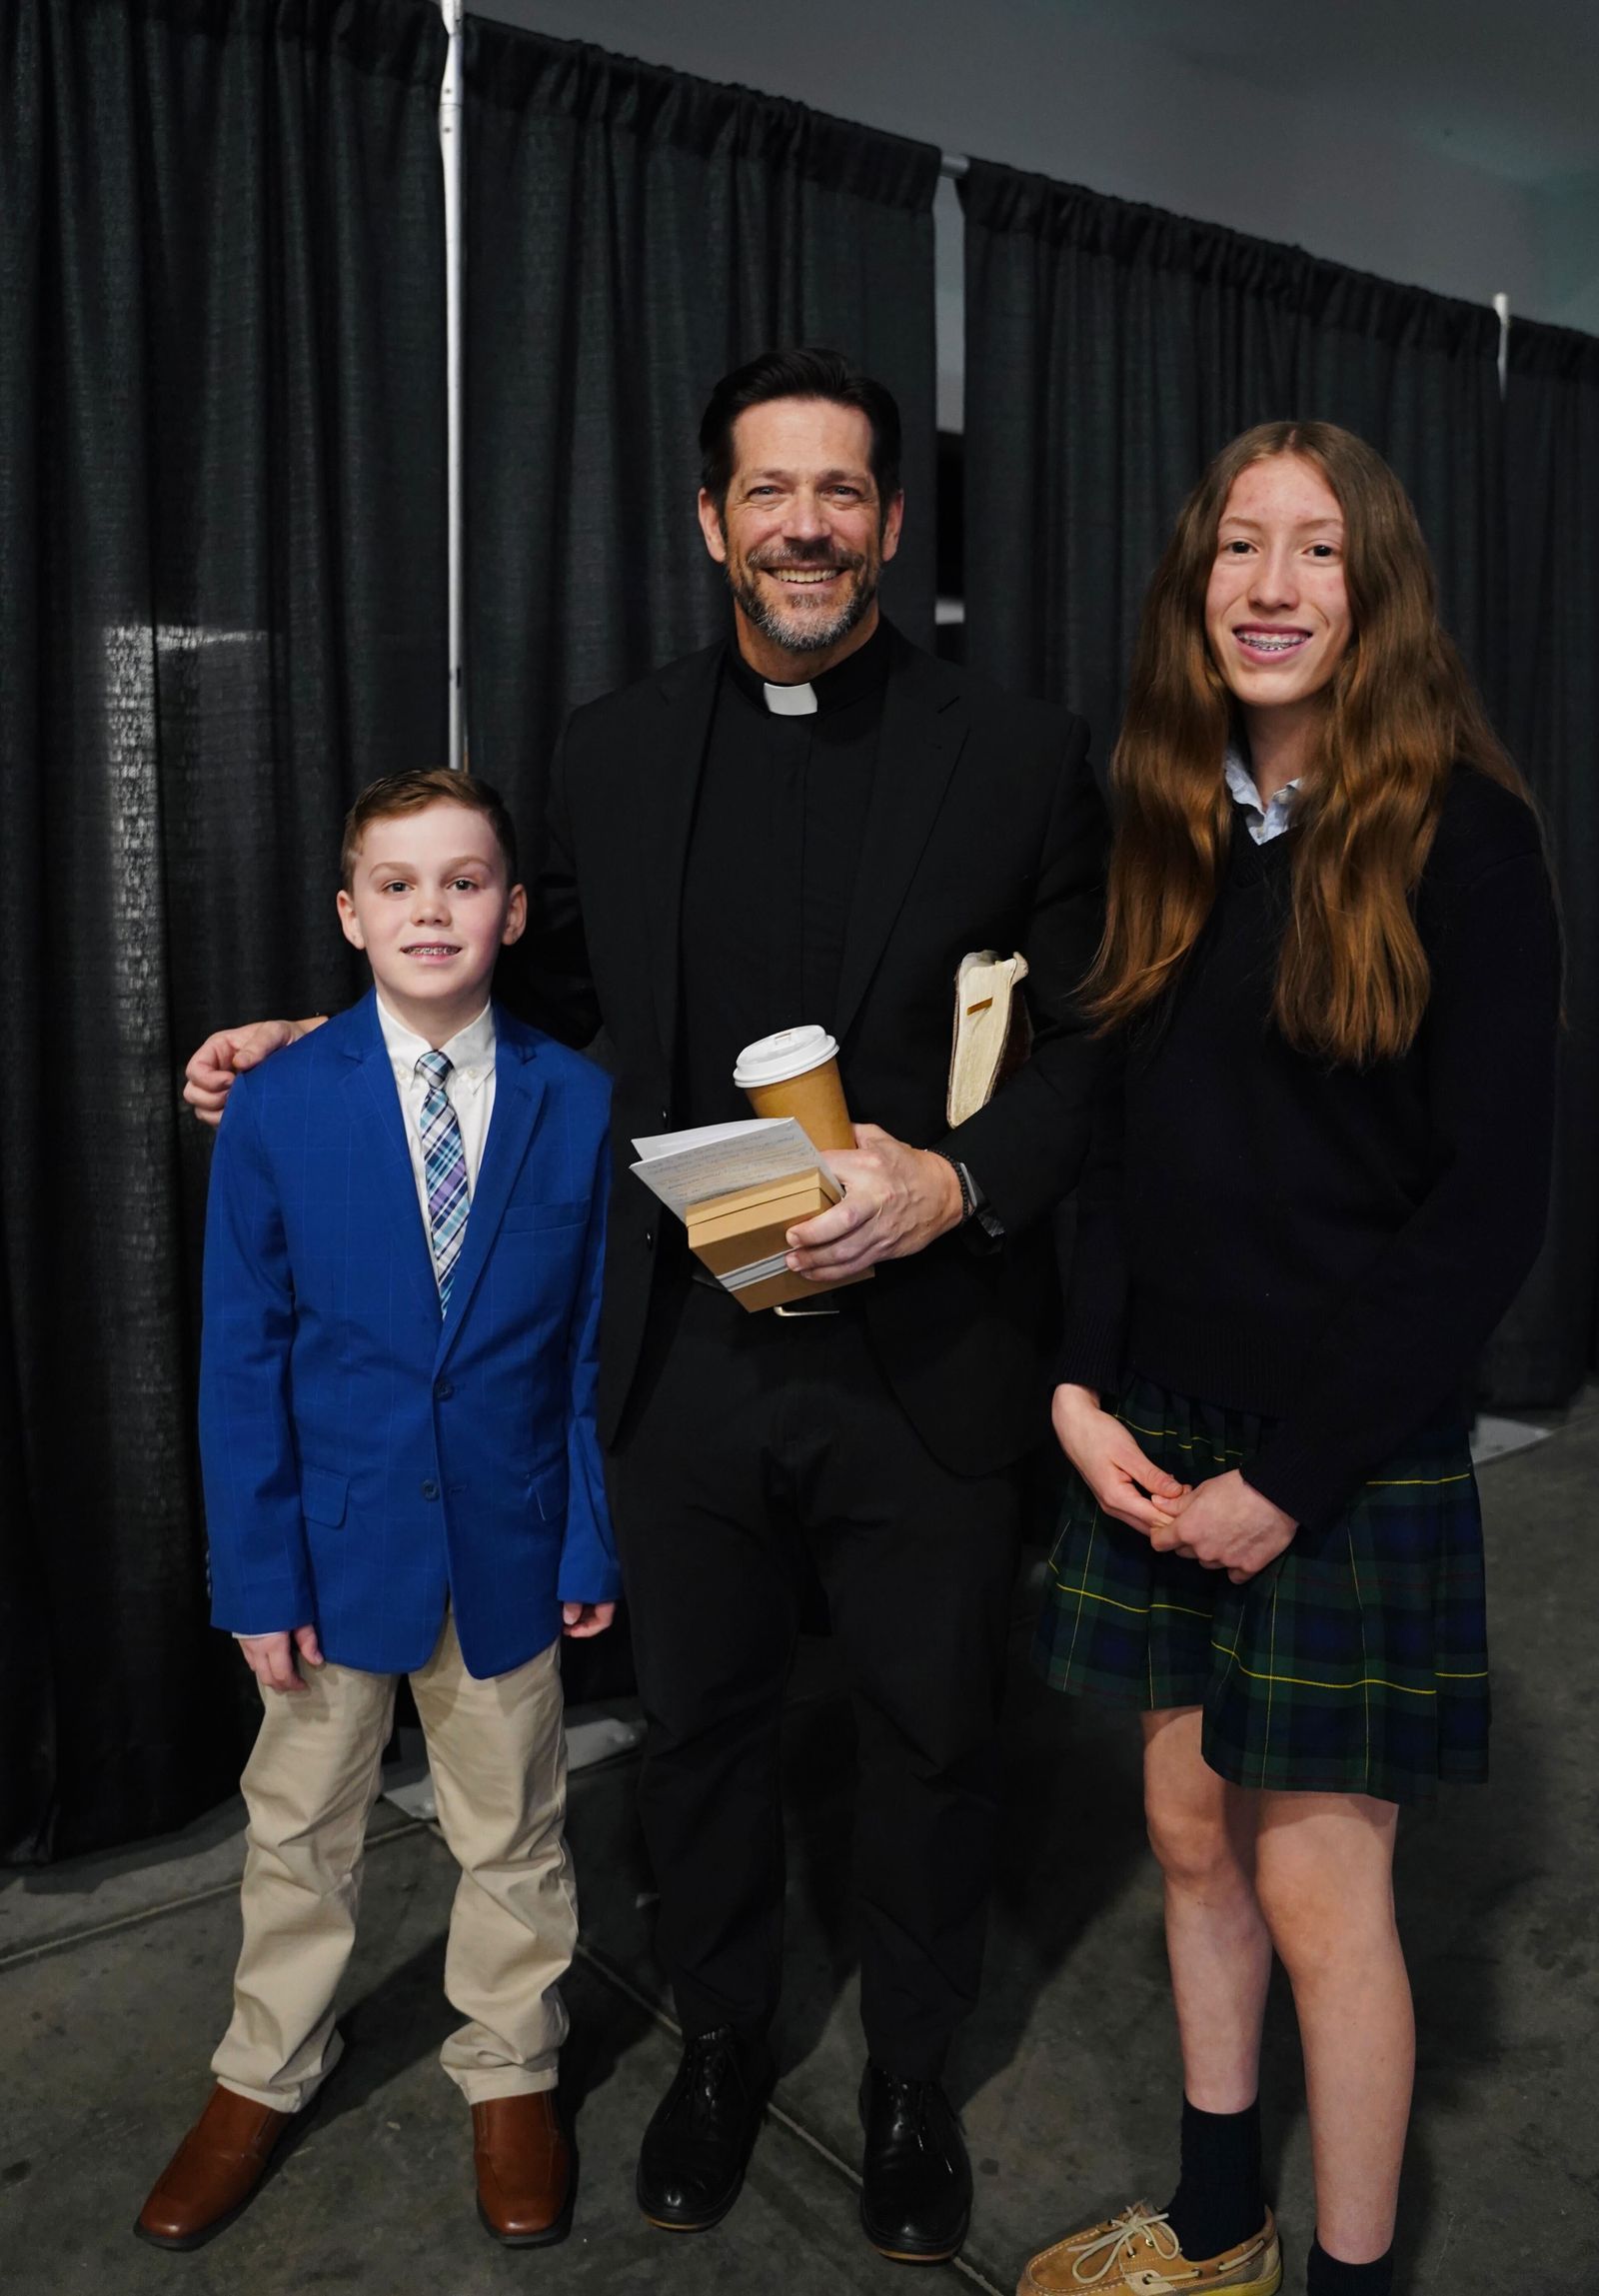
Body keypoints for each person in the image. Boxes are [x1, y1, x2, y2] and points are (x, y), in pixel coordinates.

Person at [182, 347, 1107, 2265]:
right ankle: (718, 2038)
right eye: (767, 493)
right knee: (697, 1730)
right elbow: (533, 1003)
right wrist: (323, 1036)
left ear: (890, 524)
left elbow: (1096, 1040)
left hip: (926, 1357)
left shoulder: (1016, 753)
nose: (805, 527)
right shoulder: (608, 748)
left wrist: (955, 1178)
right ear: (711, 522)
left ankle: (914, 2079)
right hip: (681, 1363)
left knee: (935, 1735)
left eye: (840, 493)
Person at [1017, 424, 1560, 2296]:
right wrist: (1081, 1389)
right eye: (1238, 547)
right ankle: (1220, 2229)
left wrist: (1293, 1479)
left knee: (1328, 1894)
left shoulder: (1464, 839)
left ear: (1374, 589)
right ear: (1195, 588)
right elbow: (1103, 1135)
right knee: (1187, 1833)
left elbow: (1485, 1214)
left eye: (1314, 550)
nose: (1268, 585)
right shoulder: (1161, 820)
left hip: (1341, 1446)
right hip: (1157, 1425)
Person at [139, 770, 618, 2253]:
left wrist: (588, 1532)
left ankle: (511, 2065)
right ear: (350, 913)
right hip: (331, 1553)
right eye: (397, 885)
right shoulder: (279, 1105)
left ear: (513, 909)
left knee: (515, 1828)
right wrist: (253, 1575)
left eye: (464, 881)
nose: (432, 909)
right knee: (299, 1829)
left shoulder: (576, 1099)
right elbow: (244, 1358)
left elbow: (589, 1345)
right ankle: (262, 2069)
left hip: (509, 1537)